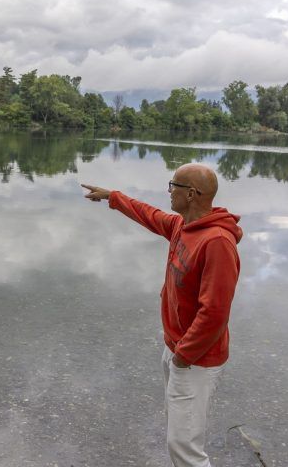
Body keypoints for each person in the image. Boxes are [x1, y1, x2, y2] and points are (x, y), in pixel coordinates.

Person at [81, 163, 242, 467]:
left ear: (191, 194)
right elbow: (151, 215)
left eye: (173, 186)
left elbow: (215, 313)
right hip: (175, 347)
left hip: (196, 360)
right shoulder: (184, 226)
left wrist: (184, 356)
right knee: (178, 434)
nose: (168, 192)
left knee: (184, 448)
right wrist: (113, 197)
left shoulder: (217, 242)